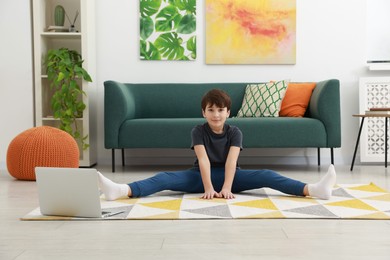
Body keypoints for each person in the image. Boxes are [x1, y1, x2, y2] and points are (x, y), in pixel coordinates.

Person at [98, 89, 336, 201]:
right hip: (200, 176)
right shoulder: (198, 131)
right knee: (165, 178)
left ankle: (313, 190)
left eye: (220, 110)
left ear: (228, 112)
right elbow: (203, 160)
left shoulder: (236, 132)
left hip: (233, 176)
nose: (216, 115)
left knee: (267, 175)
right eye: (210, 110)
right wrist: (209, 188)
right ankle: (121, 190)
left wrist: (227, 188)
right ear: (203, 112)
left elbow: (232, 162)